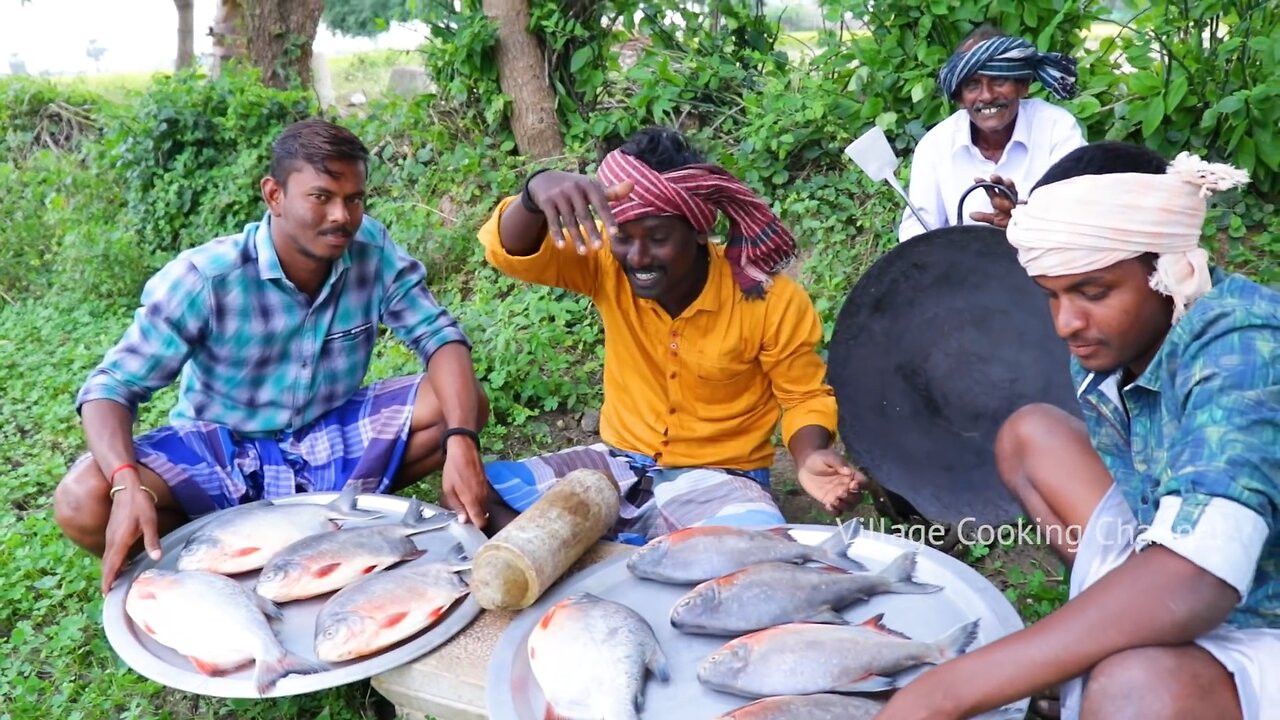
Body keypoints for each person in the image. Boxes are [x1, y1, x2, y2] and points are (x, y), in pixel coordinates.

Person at [875, 141, 1279, 720]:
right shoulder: (1112, 342)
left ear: (1164, 268)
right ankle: (1109, 637)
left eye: (1093, 292)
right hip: (1167, 540)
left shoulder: (1245, 347)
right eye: (1052, 296)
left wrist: (946, 690)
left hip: (1259, 608)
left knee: (1137, 687)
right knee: (1029, 435)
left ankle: (1143, 669)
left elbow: (1197, 579)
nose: (1067, 323)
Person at [54, 118, 491, 595]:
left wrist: (462, 441)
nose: (342, 216)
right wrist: (124, 482)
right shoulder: (206, 277)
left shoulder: (371, 250)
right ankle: (213, 549)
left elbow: (439, 336)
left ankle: (322, 521)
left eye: (354, 199)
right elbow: (111, 387)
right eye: (321, 197)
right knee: (83, 499)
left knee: (460, 404)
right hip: (221, 452)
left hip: (325, 437)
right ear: (274, 195)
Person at [477, 127, 864, 543]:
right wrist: (533, 194)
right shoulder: (606, 266)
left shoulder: (768, 299)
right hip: (617, 465)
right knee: (475, 493)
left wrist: (809, 456)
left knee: (753, 552)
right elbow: (510, 252)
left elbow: (804, 396)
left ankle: (602, 556)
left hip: (719, 480)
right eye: (624, 238)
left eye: (659, 239)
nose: (639, 257)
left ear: (699, 232)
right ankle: (605, 565)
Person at [897, 24, 1086, 242]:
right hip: (963, 270)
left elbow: (1079, 217)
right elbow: (917, 231)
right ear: (959, 98)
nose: (986, 96)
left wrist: (1022, 223)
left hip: (1045, 265)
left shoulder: (1057, 129)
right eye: (972, 85)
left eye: (999, 80)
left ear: (1022, 86)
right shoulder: (936, 146)